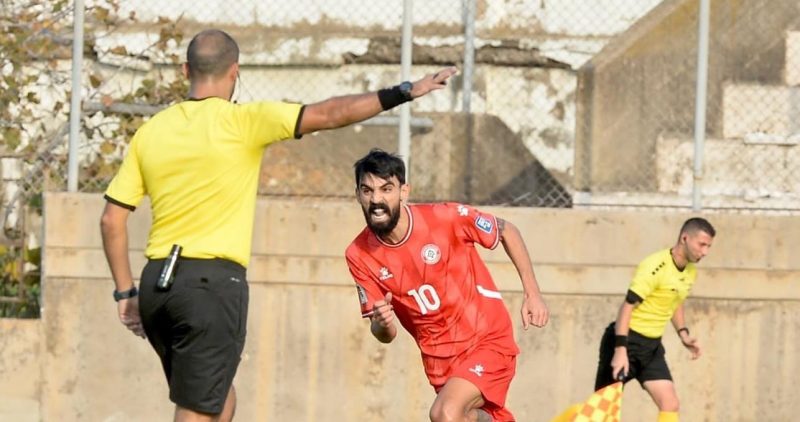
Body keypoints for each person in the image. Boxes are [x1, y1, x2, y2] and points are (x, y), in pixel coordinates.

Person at [100, 29, 457, 422]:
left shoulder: (152, 130)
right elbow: (331, 113)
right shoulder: (243, 120)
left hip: (157, 287)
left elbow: (112, 219)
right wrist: (404, 91)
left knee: (218, 398)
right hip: (209, 287)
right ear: (235, 71)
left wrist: (125, 292)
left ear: (186, 70)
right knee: (197, 409)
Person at [344, 149, 550, 422]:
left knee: (445, 412)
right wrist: (382, 322)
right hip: (440, 362)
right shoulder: (358, 254)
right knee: (459, 416)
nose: (376, 200)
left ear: (404, 191)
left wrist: (532, 293)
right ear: (358, 195)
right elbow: (385, 334)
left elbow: (506, 231)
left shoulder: (445, 217)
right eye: (367, 190)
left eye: (386, 189)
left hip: (487, 341)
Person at [593, 217, 716, 422]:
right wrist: (620, 350)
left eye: (709, 247)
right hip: (625, 341)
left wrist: (683, 334)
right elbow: (627, 307)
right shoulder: (655, 266)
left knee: (670, 404)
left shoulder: (690, 271)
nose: (705, 252)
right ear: (685, 238)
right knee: (601, 414)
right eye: (702, 244)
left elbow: (675, 301)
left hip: (651, 348)